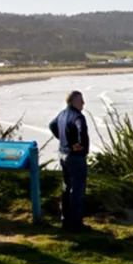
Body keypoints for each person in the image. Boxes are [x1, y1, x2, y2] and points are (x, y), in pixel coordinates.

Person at [47, 91, 90, 232]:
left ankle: (66, 220)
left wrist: (62, 139)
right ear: (73, 102)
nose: (83, 103)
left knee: (67, 188)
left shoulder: (62, 114)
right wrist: (80, 144)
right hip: (75, 156)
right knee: (77, 190)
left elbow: (52, 125)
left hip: (63, 153)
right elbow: (81, 129)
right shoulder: (78, 116)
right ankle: (76, 223)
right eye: (81, 100)